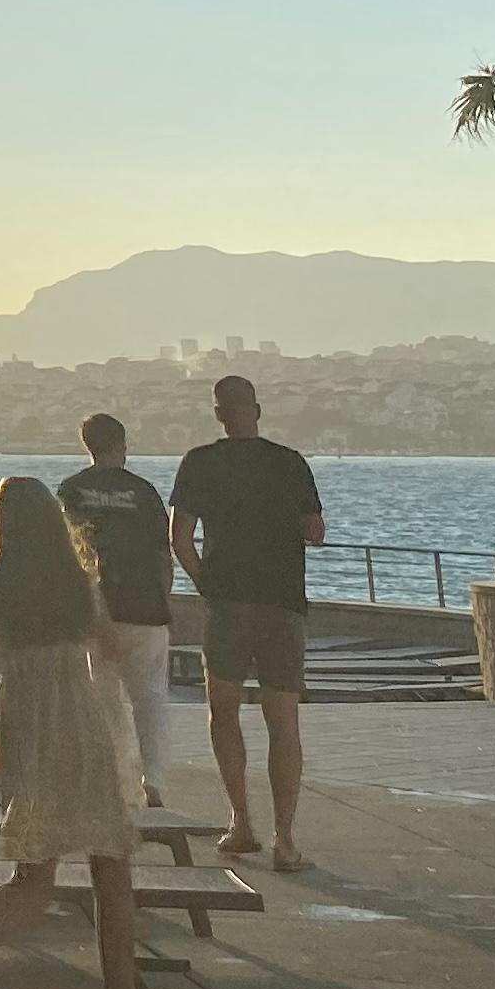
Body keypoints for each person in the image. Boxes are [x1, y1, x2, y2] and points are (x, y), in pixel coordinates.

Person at [0, 473, 142, 989]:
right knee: (110, 867)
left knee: (34, 870)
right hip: (79, 716)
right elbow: (110, 647)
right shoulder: (75, 576)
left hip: (26, 717)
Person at [171, 370, 325, 874]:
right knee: (283, 722)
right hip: (283, 603)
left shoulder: (199, 462)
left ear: (218, 414)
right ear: (257, 411)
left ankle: (240, 822)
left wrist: (207, 584)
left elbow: (180, 539)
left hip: (228, 605)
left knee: (224, 712)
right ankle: (286, 840)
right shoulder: (290, 462)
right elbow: (315, 531)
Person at [58, 412, 176, 805]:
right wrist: (163, 599)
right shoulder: (143, 492)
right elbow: (162, 553)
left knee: (103, 697)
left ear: (87, 445)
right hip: (144, 608)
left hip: (93, 609)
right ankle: (152, 781)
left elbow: (66, 556)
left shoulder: (71, 491)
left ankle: (115, 779)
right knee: (150, 698)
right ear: (122, 445)